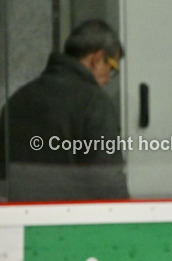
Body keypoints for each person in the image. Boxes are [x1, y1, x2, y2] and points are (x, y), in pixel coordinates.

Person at [0, 19, 128, 201]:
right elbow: (108, 183)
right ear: (97, 59)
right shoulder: (94, 103)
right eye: (112, 68)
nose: (109, 79)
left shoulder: (16, 101)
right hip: (73, 223)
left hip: (20, 223)